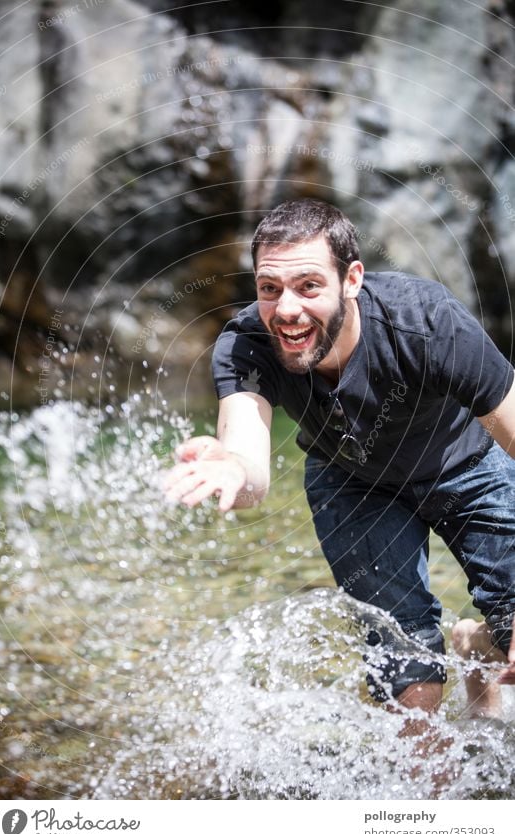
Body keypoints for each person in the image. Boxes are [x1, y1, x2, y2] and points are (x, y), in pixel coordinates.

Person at [164, 198, 515, 718]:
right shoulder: (245, 348)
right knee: (407, 673)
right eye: (269, 288)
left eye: (308, 285)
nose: (285, 309)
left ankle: (478, 645)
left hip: (464, 464)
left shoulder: (428, 323)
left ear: (351, 279)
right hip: (353, 483)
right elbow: (252, 474)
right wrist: (232, 467)